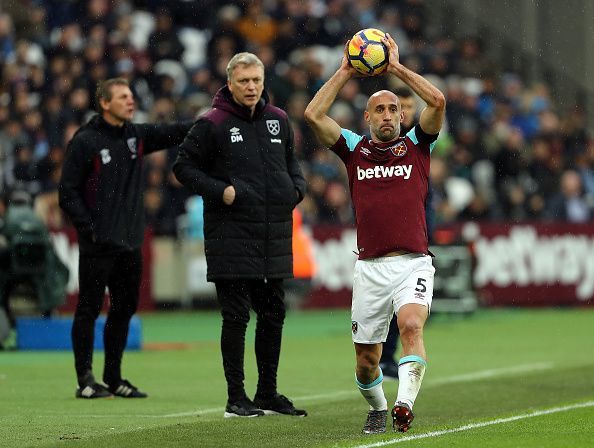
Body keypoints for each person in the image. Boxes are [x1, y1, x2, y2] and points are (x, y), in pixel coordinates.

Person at [304, 34, 446, 434]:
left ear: (402, 116)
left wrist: (397, 68)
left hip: (413, 262)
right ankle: (378, 406)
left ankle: (404, 404)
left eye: (394, 109)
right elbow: (314, 115)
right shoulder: (354, 148)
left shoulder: (418, 145)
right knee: (366, 360)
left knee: (412, 327)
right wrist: (346, 70)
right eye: (379, 109)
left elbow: (437, 102)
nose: (387, 114)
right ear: (367, 118)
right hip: (369, 268)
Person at [173, 52, 307, 418]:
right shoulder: (211, 124)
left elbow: (292, 162)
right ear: (229, 83)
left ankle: (267, 393)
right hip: (230, 235)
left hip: (273, 234)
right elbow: (182, 166)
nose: (251, 87)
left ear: (264, 82)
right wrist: (221, 191)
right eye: (244, 81)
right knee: (235, 317)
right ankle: (236, 397)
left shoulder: (279, 120)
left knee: (273, 313)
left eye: (256, 81)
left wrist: (297, 189)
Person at [59, 78, 192, 399]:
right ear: (105, 103)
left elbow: (174, 130)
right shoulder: (86, 141)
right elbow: (67, 192)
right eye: (123, 97)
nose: (131, 102)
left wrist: (214, 119)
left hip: (130, 242)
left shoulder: (136, 136)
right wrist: (89, 227)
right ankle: (85, 380)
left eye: (131, 96)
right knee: (89, 309)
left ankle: (114, 377)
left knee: (123, 309)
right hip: (98, 242)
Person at [379, 87, 418, 380]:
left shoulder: (419, 142)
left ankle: (392, 355)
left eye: (406, 106)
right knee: (391, 303)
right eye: (395, 107)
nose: (399, 113)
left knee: (407, 309)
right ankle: (384, 356)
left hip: (416, 229)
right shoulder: (378, 145)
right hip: (386, 236)